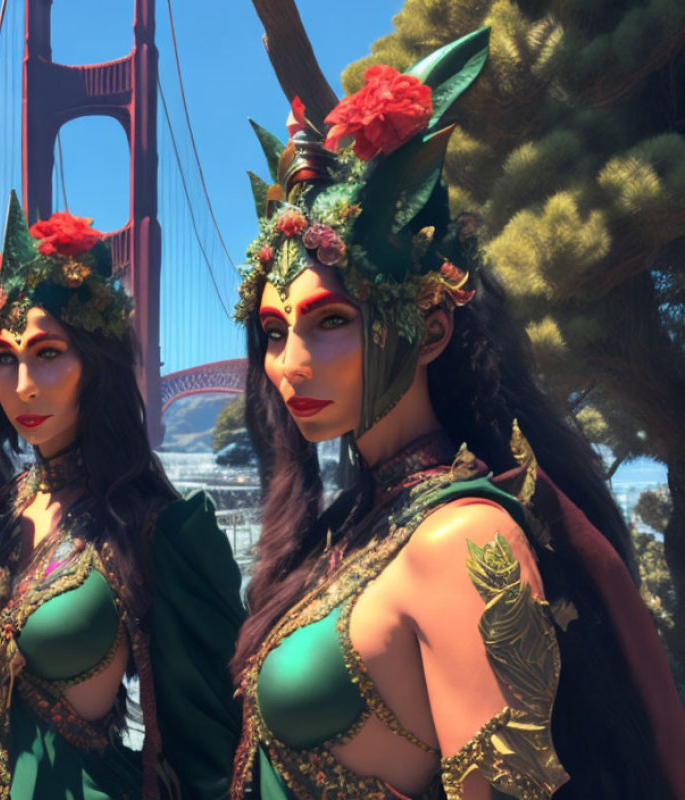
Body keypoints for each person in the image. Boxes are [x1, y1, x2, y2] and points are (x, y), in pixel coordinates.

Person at [230, 28, 685, 800]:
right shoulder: (350, 524)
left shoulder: (462, 538)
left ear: (432, 329)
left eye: (330, 320)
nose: (289, 363)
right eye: (275, 333)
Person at [0, 192, 243, 800]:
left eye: (48, 354)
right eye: (4, 358)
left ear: (96, 364)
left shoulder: (158, 528)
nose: (22, 385)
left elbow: (211, 750)